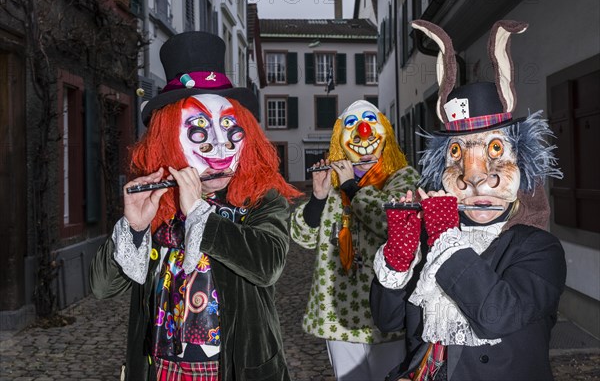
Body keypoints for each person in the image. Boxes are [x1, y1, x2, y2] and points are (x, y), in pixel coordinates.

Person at [89, 31, 302, 381]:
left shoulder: (262, 199)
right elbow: (102, 287)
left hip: (234, 369)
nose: (219, 150)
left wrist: (199, 215)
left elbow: (267, 264)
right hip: (163, 369)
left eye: (231, 130)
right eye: (199, 131)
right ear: (168, 139)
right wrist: (136, 228)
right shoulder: (159, 201)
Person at [370, 20, 566, 381]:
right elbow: (388, 320)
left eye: (494, 150)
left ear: (522, 168)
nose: (473, 176)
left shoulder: (540, 249)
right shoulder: (433, 243)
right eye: (457, 154)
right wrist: (401, 253)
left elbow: (497, 315)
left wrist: (446, 239)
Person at [290, 100, 420, 380]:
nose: (363, 132)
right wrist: (319, 197)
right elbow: (302, 235)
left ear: (385, 134)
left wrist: (352, 185)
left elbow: (388, 224)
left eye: (371, 123)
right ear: (340, 139)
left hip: (385, 315)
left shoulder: (402, 179)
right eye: (352, 126)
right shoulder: (334, 185)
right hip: (338, 315)